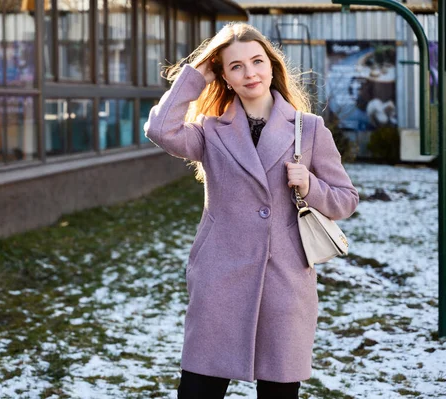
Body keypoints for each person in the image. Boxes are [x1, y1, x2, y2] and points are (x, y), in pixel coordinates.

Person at [144, 23, 359, 399]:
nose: (250, 73)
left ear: (272, 66)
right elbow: (161, 129)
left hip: (285, 282)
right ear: (224, 76)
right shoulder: (210, 131)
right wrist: (196, 74)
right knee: (197, 391)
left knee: (278, 394)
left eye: (257, 61)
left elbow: (345, 199)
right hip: (219, 280)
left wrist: (310, 184)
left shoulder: (308, 130)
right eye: (236, 66)